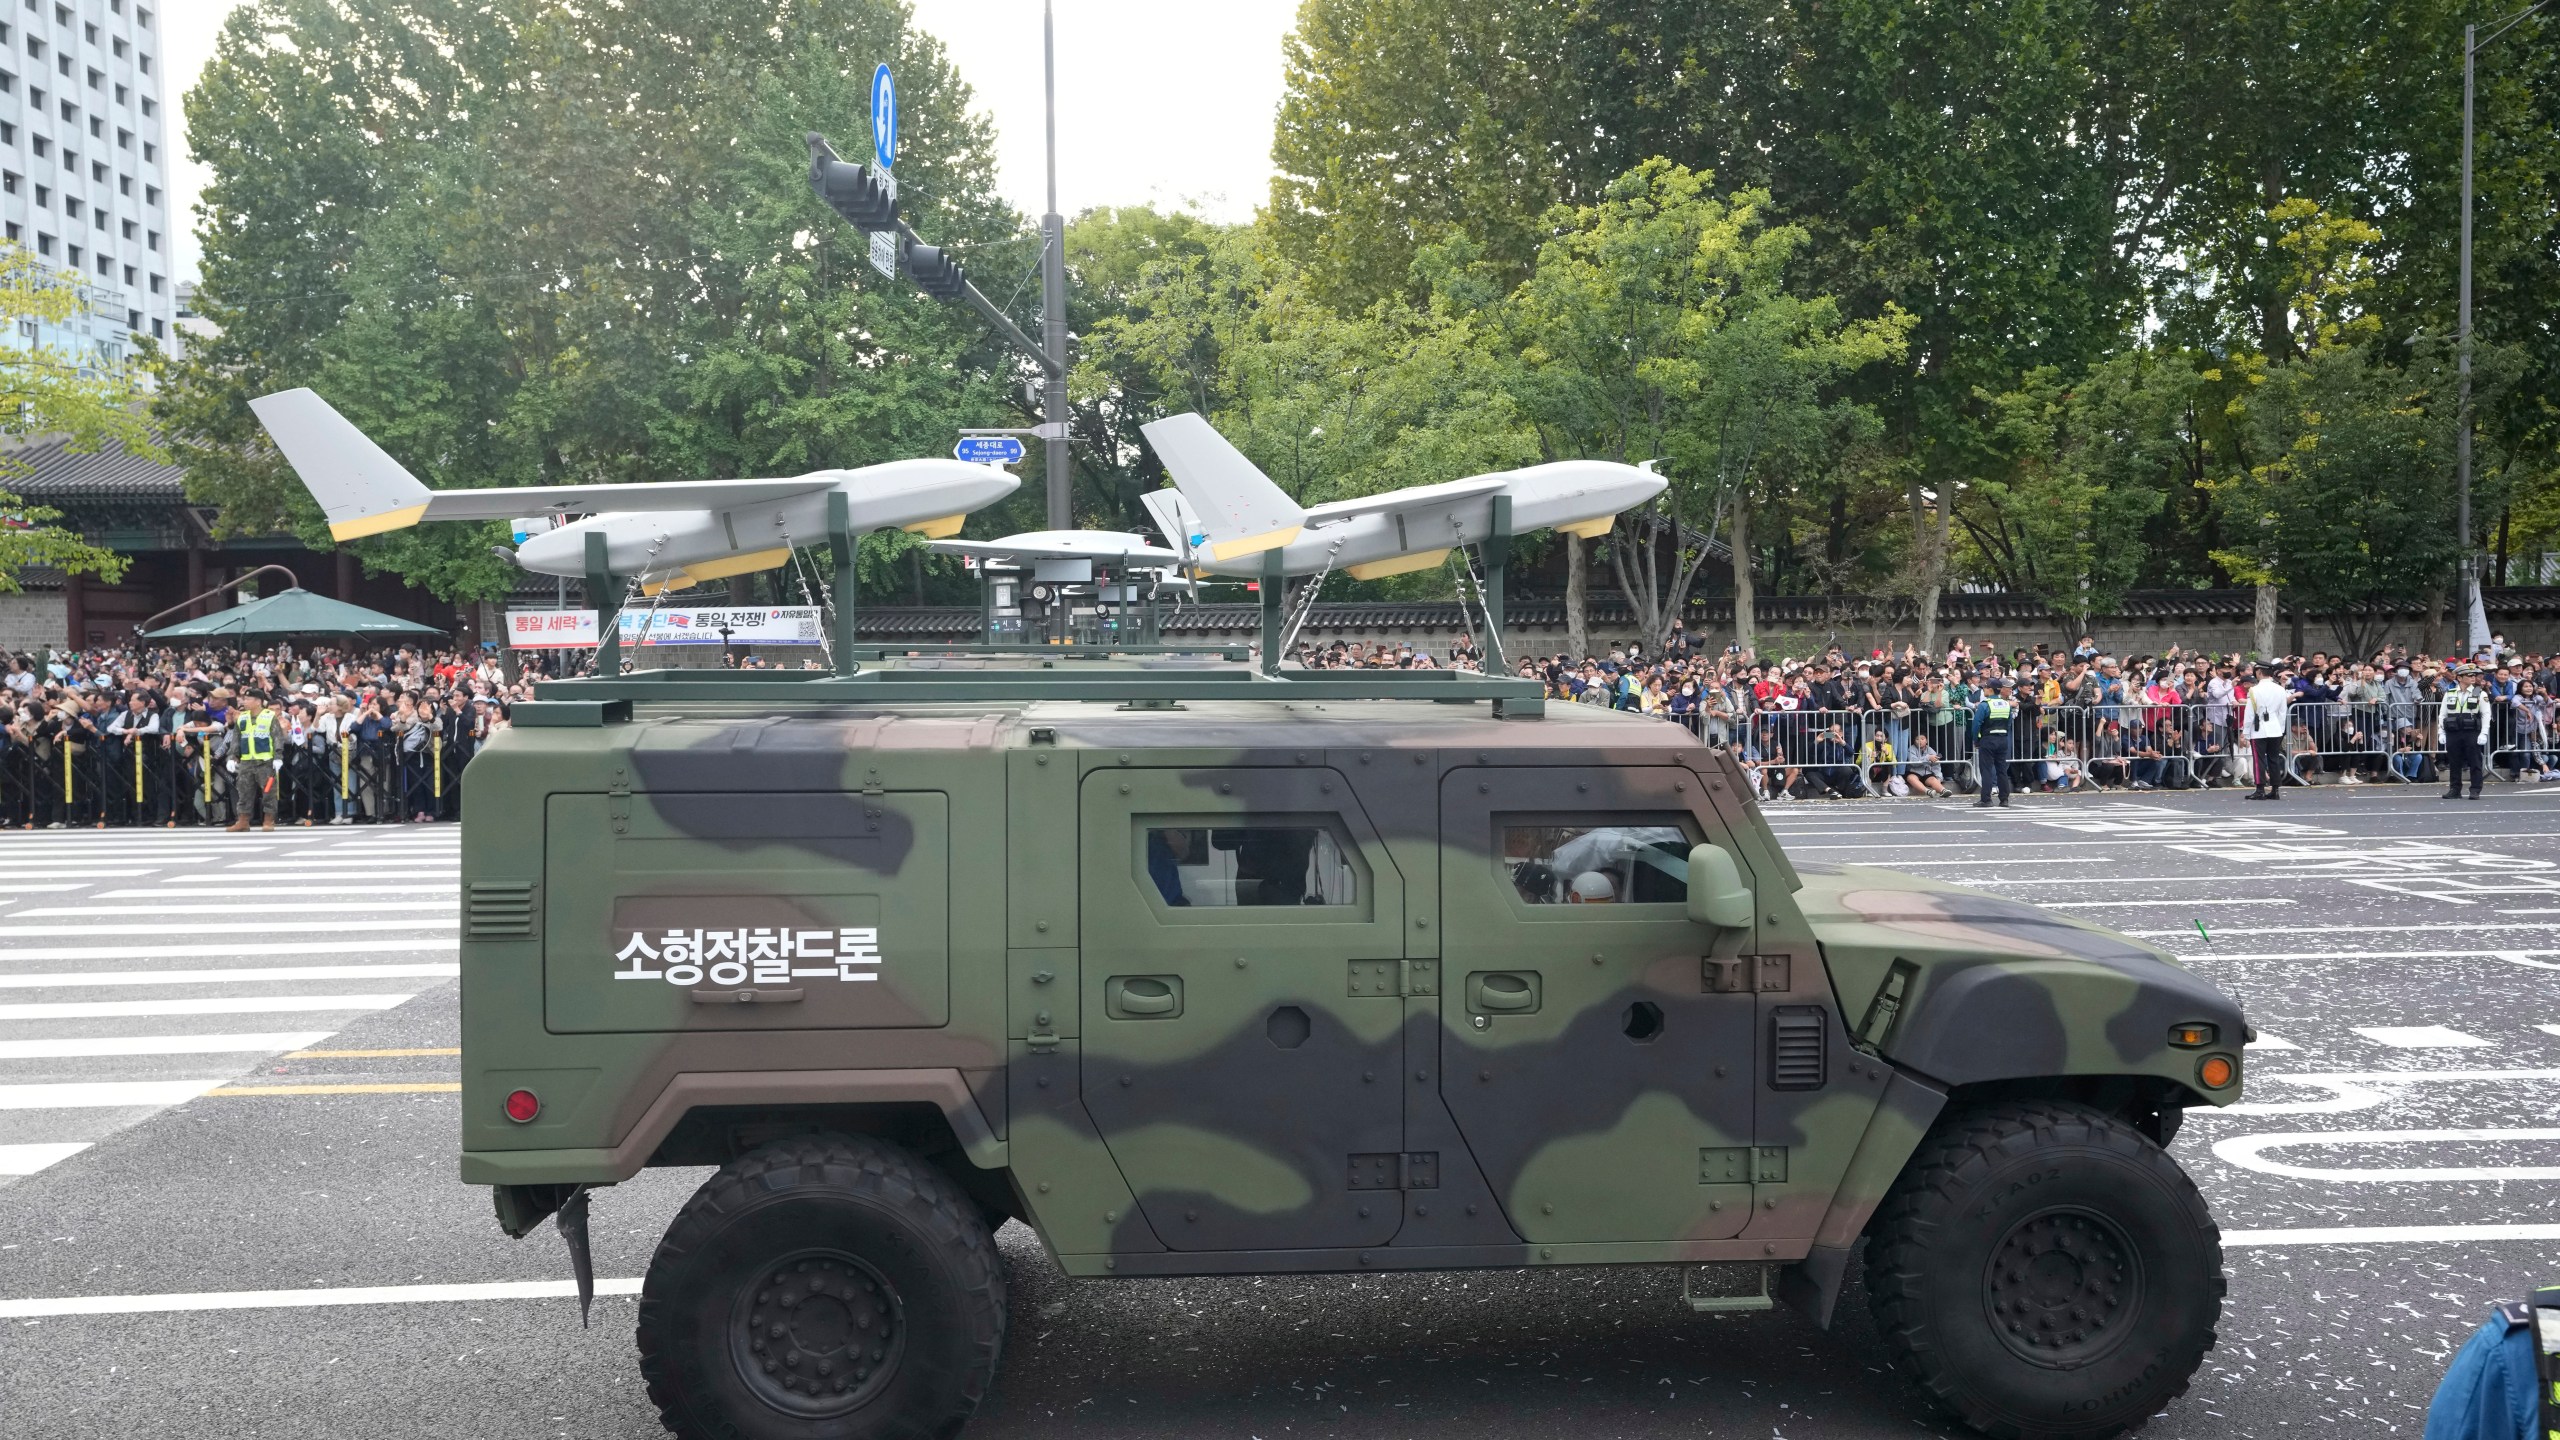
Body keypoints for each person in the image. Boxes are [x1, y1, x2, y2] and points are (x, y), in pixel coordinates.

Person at [227, 689, 281, 832]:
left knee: (268, 791)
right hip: (246, 761)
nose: (244, 701)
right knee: (244, 791)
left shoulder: (269, 717)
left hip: (265, 761)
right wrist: (232, 757)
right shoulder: (242, 718)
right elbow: (236, 739)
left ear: (258, 701)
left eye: (248, 699)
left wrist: (278, 757)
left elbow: (277, 738)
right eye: (244, 698)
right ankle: (243, 821)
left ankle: (269, 820)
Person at [2242, 660, 2290, 801]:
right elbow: (2283, 712)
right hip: (2275, 728)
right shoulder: (2280, 689)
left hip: (2259, 729)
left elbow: (2250, 713)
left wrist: (2245, 732)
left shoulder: (2254, 690)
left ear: (2259, 672)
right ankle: (2275, 789)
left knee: (2259, 760)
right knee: (2273, 759)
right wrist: (2280, 728)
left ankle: (2260, 789)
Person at [2440, 663, 2489, 800]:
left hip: (2471, 730)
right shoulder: (2450, 693)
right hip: (2453, 730)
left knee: (2474, 761)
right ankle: (2455, 789)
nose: (2473, 677)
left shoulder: (2479, 693)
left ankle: (2475, 789)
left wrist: (2484, 732)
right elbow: (2443, 714)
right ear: (2459, 678)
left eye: (2474, 675)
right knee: (2454, 762)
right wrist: (2441, 732)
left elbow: (2486, 714)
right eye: (2469, 675)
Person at [1971, 676, 2018, 807]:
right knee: (2001, 769)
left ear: (1990, 690)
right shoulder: (2006, 704)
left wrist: (1976, 740)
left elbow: (1976, 724)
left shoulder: (1985, 705)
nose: (1984, 689)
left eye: (1985, 687)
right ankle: (2004, 799)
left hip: (1988, 739)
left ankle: (1986, 799)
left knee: (1986, 769)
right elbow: (2008, 723)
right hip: (2003, 739)